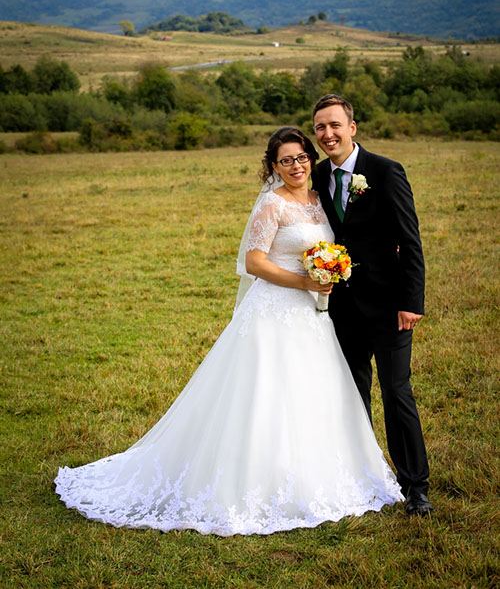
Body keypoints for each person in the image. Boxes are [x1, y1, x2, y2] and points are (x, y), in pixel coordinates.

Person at [54, 127, 403, 537]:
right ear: (274, 167)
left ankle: (317, 473)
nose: (296, 165)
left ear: (311, 159)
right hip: (274, 310)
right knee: (264, 393)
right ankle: (254, 480)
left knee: (311, 389)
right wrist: (304, 282)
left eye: (301, 157)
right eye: (286, 160)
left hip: (312, 314)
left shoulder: (318, 200)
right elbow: (254, 263)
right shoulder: (272, 204)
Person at [311, 94, 433, 516]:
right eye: (320, 127)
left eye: (335, 125)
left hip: (389, 305)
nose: (328, 134)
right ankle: (361, 477)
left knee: (396, 391)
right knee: (352, 392)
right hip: (342, 307)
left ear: (352, 127)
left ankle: (415, 485)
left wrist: (411, 302)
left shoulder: (384, 171)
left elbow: (410, 241)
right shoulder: (316, 176)